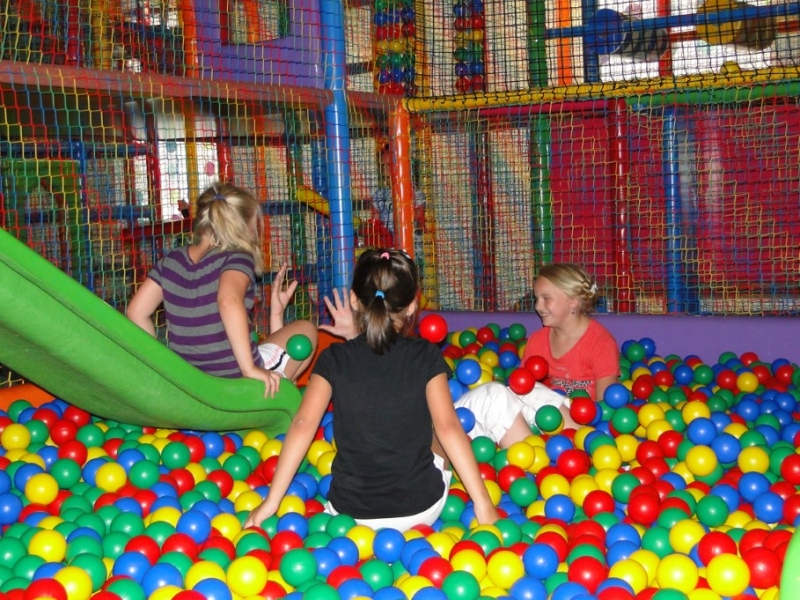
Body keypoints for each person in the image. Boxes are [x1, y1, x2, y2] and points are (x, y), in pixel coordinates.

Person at [244, 249, 499, 531]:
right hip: (420, 510)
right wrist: (484, 504)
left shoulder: (334, 359)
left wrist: (272, 501)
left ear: (354, 300)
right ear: (412, 306)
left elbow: (303, 424)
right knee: (439, 427)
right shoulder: (425, 355)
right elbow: (448, 428)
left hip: (350, 513)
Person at [126, 183, 318, 397]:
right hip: (234, 377)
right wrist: (249, 369)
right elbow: (228, 301)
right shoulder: (236, 258)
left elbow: (136, 312)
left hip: (187, 378)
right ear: (243, 225)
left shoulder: (170, 260)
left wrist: (161, 367)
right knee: (306, 329)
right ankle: (273, 398)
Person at [454, 263, 620, 447]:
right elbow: (520, 389)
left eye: (546, 299)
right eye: (537, 299)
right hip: (541, 422)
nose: (538, 306)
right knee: (508, 394)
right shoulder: (538, 340)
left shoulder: (601, 343)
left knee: (530, 391)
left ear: (573, 301)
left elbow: (606, 406)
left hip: (583, 426)